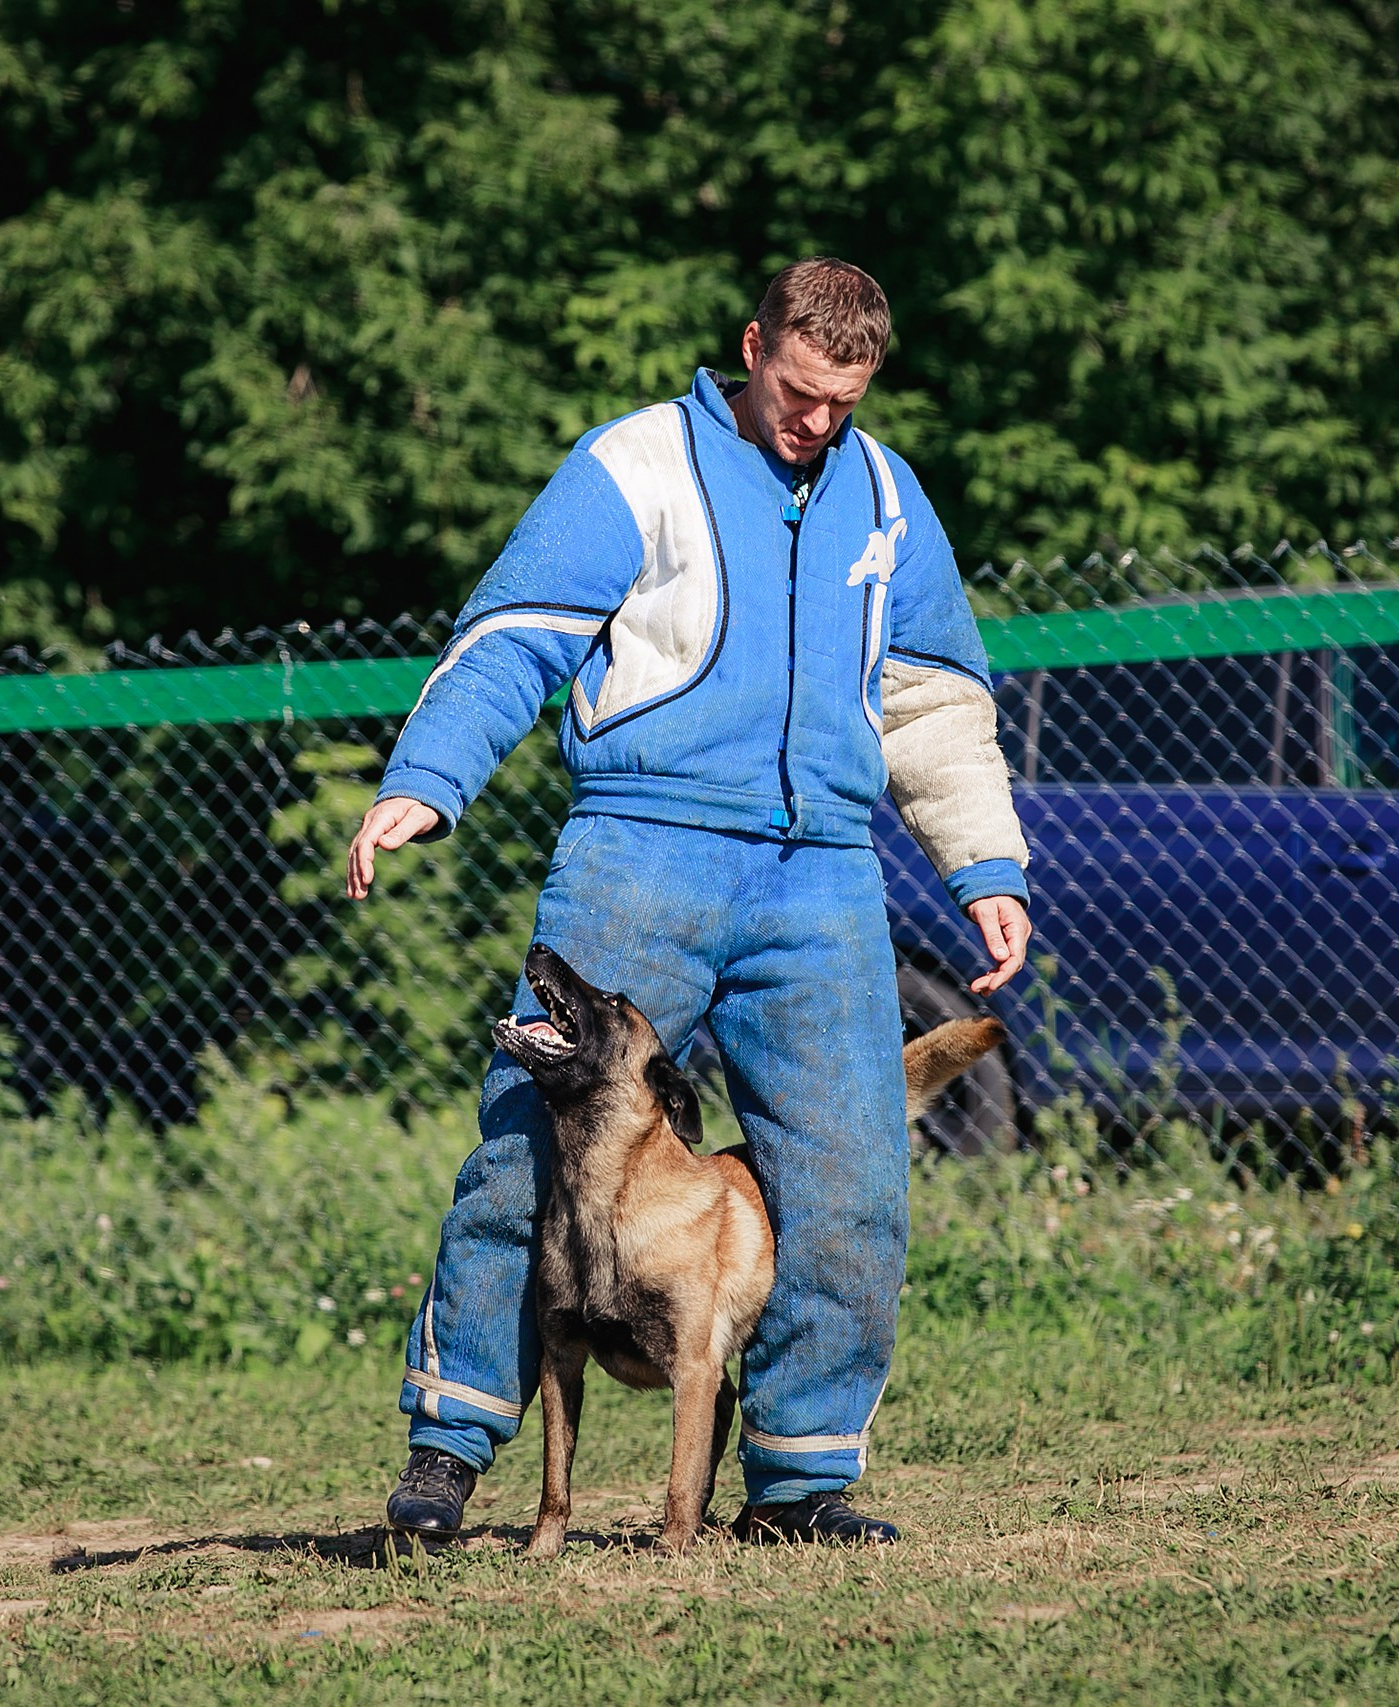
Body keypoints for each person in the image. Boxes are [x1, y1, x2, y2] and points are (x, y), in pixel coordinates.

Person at [345, 257, 1030, 1547]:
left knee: (851, 1173)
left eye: (846, 397)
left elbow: (933, 698)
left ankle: (803, 1479)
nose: (818, 419)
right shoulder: (635, 464)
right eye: (798, 387)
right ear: (753, 342)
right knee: (523, 1146)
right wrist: (427, 781)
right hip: (639, 853)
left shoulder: (887, 496)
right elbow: (513, 638)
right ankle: (449, 1446)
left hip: (825, 876)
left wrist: (985, 867)